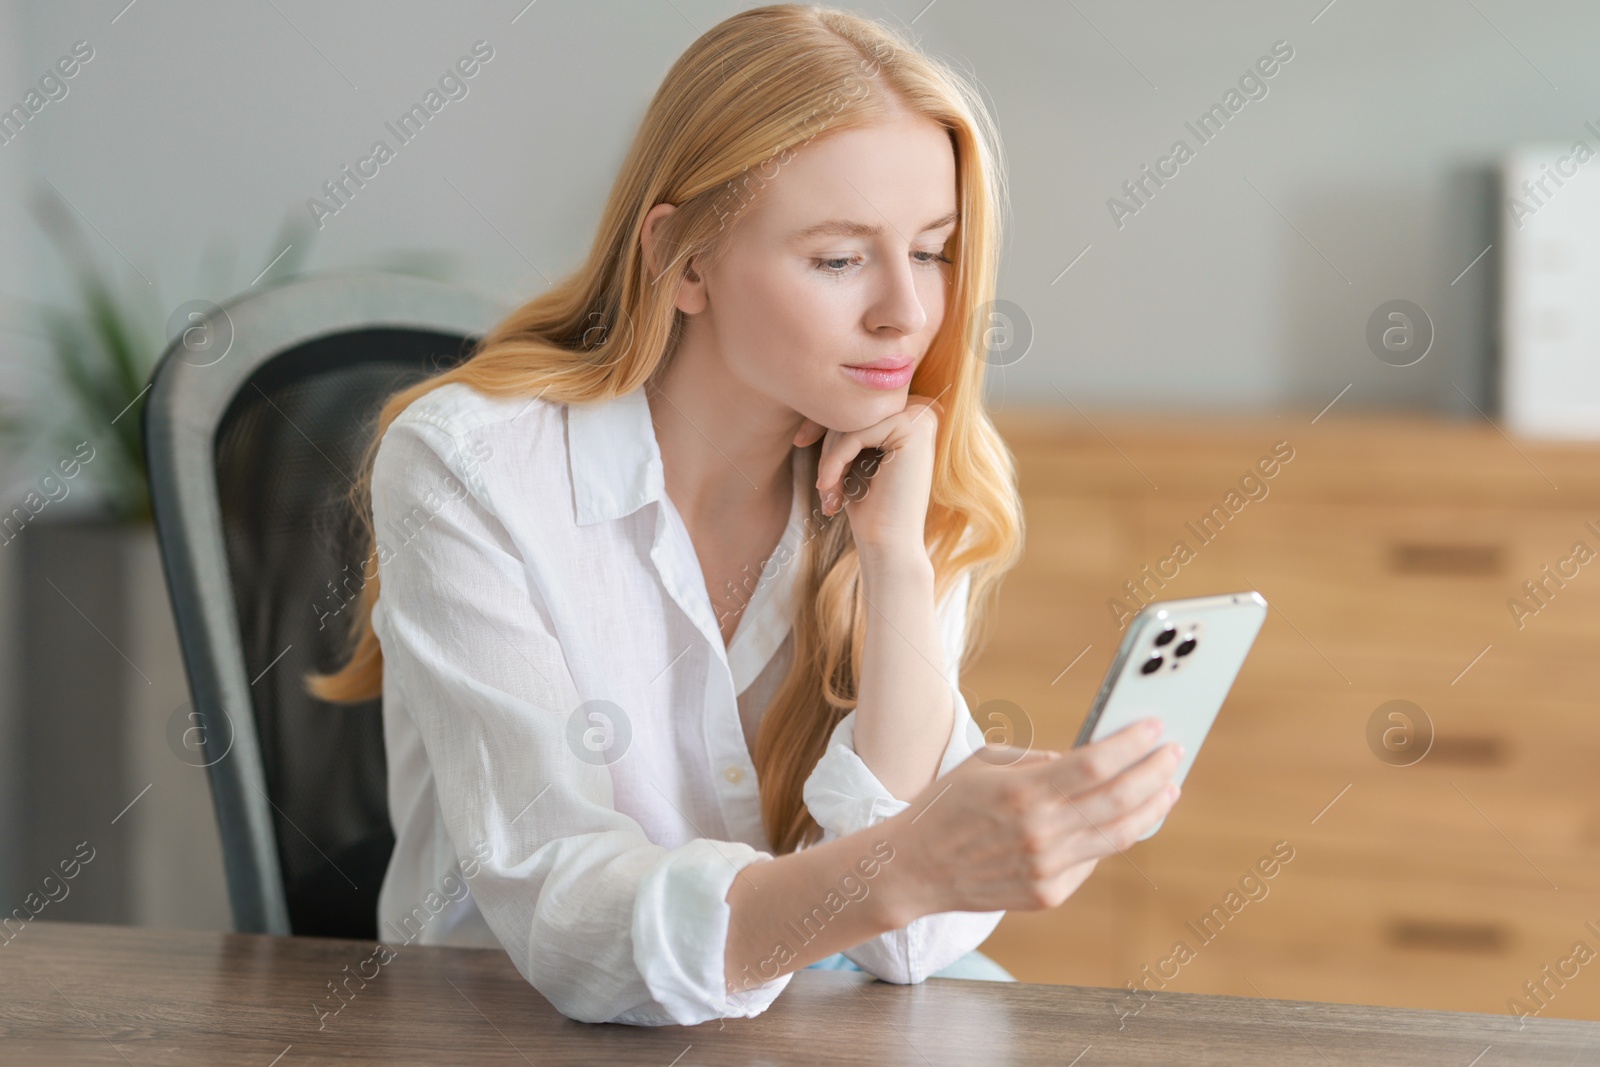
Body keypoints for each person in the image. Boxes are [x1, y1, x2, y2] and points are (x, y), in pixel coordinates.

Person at [307, 3, 1182, 1027]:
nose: (906, 310)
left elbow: (903, 944)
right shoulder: (470, 466)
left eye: (933, 250)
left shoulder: (898, 475)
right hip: (514, 1033)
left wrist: (894, 564)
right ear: (684, 261)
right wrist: (909, 862)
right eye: (838, 258)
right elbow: (569, 910)